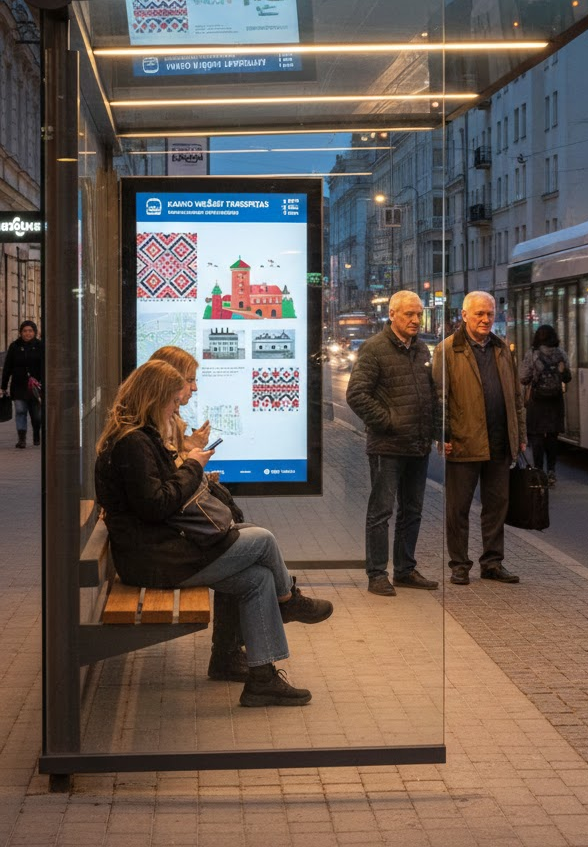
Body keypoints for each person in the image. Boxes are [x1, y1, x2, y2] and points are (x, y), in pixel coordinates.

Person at [94, 359, 333, 707]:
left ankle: (262, 679)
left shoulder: (138, 438)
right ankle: (288, 602)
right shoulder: (133, 443)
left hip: (162, 548)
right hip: (155, 558)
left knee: (256, 579)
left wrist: (191, 468)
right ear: (155, 398)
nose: (177, 409)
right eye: (174, 402)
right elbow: (156, 505)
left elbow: (157, 500)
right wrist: (193, 465)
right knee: (263, 539)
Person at [149, 345, 246, 681]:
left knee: (248, 553)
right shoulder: (152, 428)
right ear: (167, 384)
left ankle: (233, 652)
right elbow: (167, 487)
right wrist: (193, 461)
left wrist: (191, 455)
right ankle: (282, 601)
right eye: (188, 381)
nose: (194, 388)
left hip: (169, 530)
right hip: (166, 540)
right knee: (247, 551)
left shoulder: (168, 421)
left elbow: (171, 477)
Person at [346, 291, 440, 597]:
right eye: (409, 314)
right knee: (381, 511)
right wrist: (389, 422)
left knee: (412, 510)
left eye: (418, 314)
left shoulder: (422, 349)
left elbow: (431, 395)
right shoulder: (374, 349)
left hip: (417, 444)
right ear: (393, 315)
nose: (415, 320)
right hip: (388, 446)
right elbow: (357, 395)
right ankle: (376, 574)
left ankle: (404, 569)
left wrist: (437, 432)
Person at [433, 290, 526, 586]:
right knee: (458, 509)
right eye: (479, 314)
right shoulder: (448, 350)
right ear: (464, 316)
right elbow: (439, 399)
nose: (486, 319)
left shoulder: (502, 349)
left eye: (490, 314)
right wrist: (443, 435)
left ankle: (493, 563)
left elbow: (516, 398)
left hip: (500, 442)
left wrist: (519, 435)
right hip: (463, 441)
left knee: (496, 507)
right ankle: (460, 565)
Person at [518, 324, 571, 485]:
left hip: (537, 401)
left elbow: (523, 378)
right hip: (555, 401)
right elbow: (567, 377)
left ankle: (539, 470)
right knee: (553, 437)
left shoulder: (532, 354)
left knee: (537, 437)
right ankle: (552, 471)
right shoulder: (560, 353)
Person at [1, 320, 43, 448]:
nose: (27, 333)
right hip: (18, 386)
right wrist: (3, 386)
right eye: (25, 331)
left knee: (36, 415)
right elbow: (7, 367)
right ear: (21, 333)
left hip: (36, 387)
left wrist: (43, 382)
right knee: (20, 411)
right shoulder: (14, 346)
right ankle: (22, 439)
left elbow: (45, 366)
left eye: (30, 331)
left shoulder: (40, 346)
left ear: (34, 332)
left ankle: (36, 434)